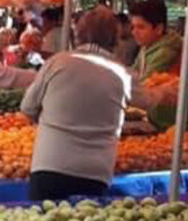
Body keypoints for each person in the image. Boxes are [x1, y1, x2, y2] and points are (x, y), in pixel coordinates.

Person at [21, 7, 172, 201]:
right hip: (94, 172)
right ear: (115, 38)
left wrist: (51, 120)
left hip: (50, 165)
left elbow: (27, 107)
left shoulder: (57, 63)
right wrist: (167, 91)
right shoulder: (121, 73)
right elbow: (148, 100)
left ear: (79, 34)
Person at [129, 0, 182, 81]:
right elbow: (132, 72)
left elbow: (143, 85)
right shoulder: (147, 46)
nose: (134, 32)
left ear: (158, 29)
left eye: (141, 27)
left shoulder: (166, 52)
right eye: (133, 27)